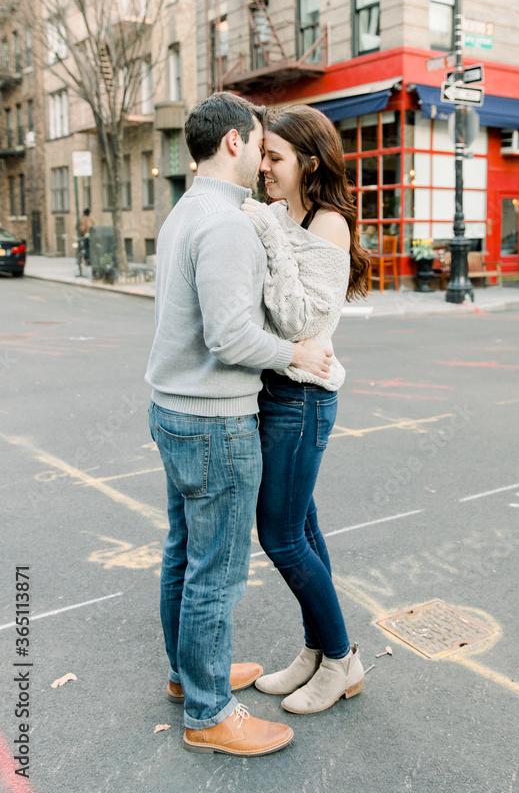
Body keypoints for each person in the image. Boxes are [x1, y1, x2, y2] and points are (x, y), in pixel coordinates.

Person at [145, 92, 333, 757]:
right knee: (216, 573)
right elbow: (230, 336)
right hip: (214, 422)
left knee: (184, 555)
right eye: (257, 142)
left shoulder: (186, 212)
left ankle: (187, 673)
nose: (261, 158)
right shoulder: (225, 225)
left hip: (173, 410)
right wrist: (296, 352)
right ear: (233, 142)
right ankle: (209, 712)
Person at [241, 105, 370, 714]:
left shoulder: (328, 225)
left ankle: (342, 659)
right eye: (262, 154)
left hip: (303, 400)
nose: (263, 167)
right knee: (306, 530)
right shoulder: (276, 213)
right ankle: (316, 652)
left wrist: (267, 233)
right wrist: (266, 226)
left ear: (308, 163)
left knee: (281, 535)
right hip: (274, 388)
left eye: (275, 157)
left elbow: (299, 321)